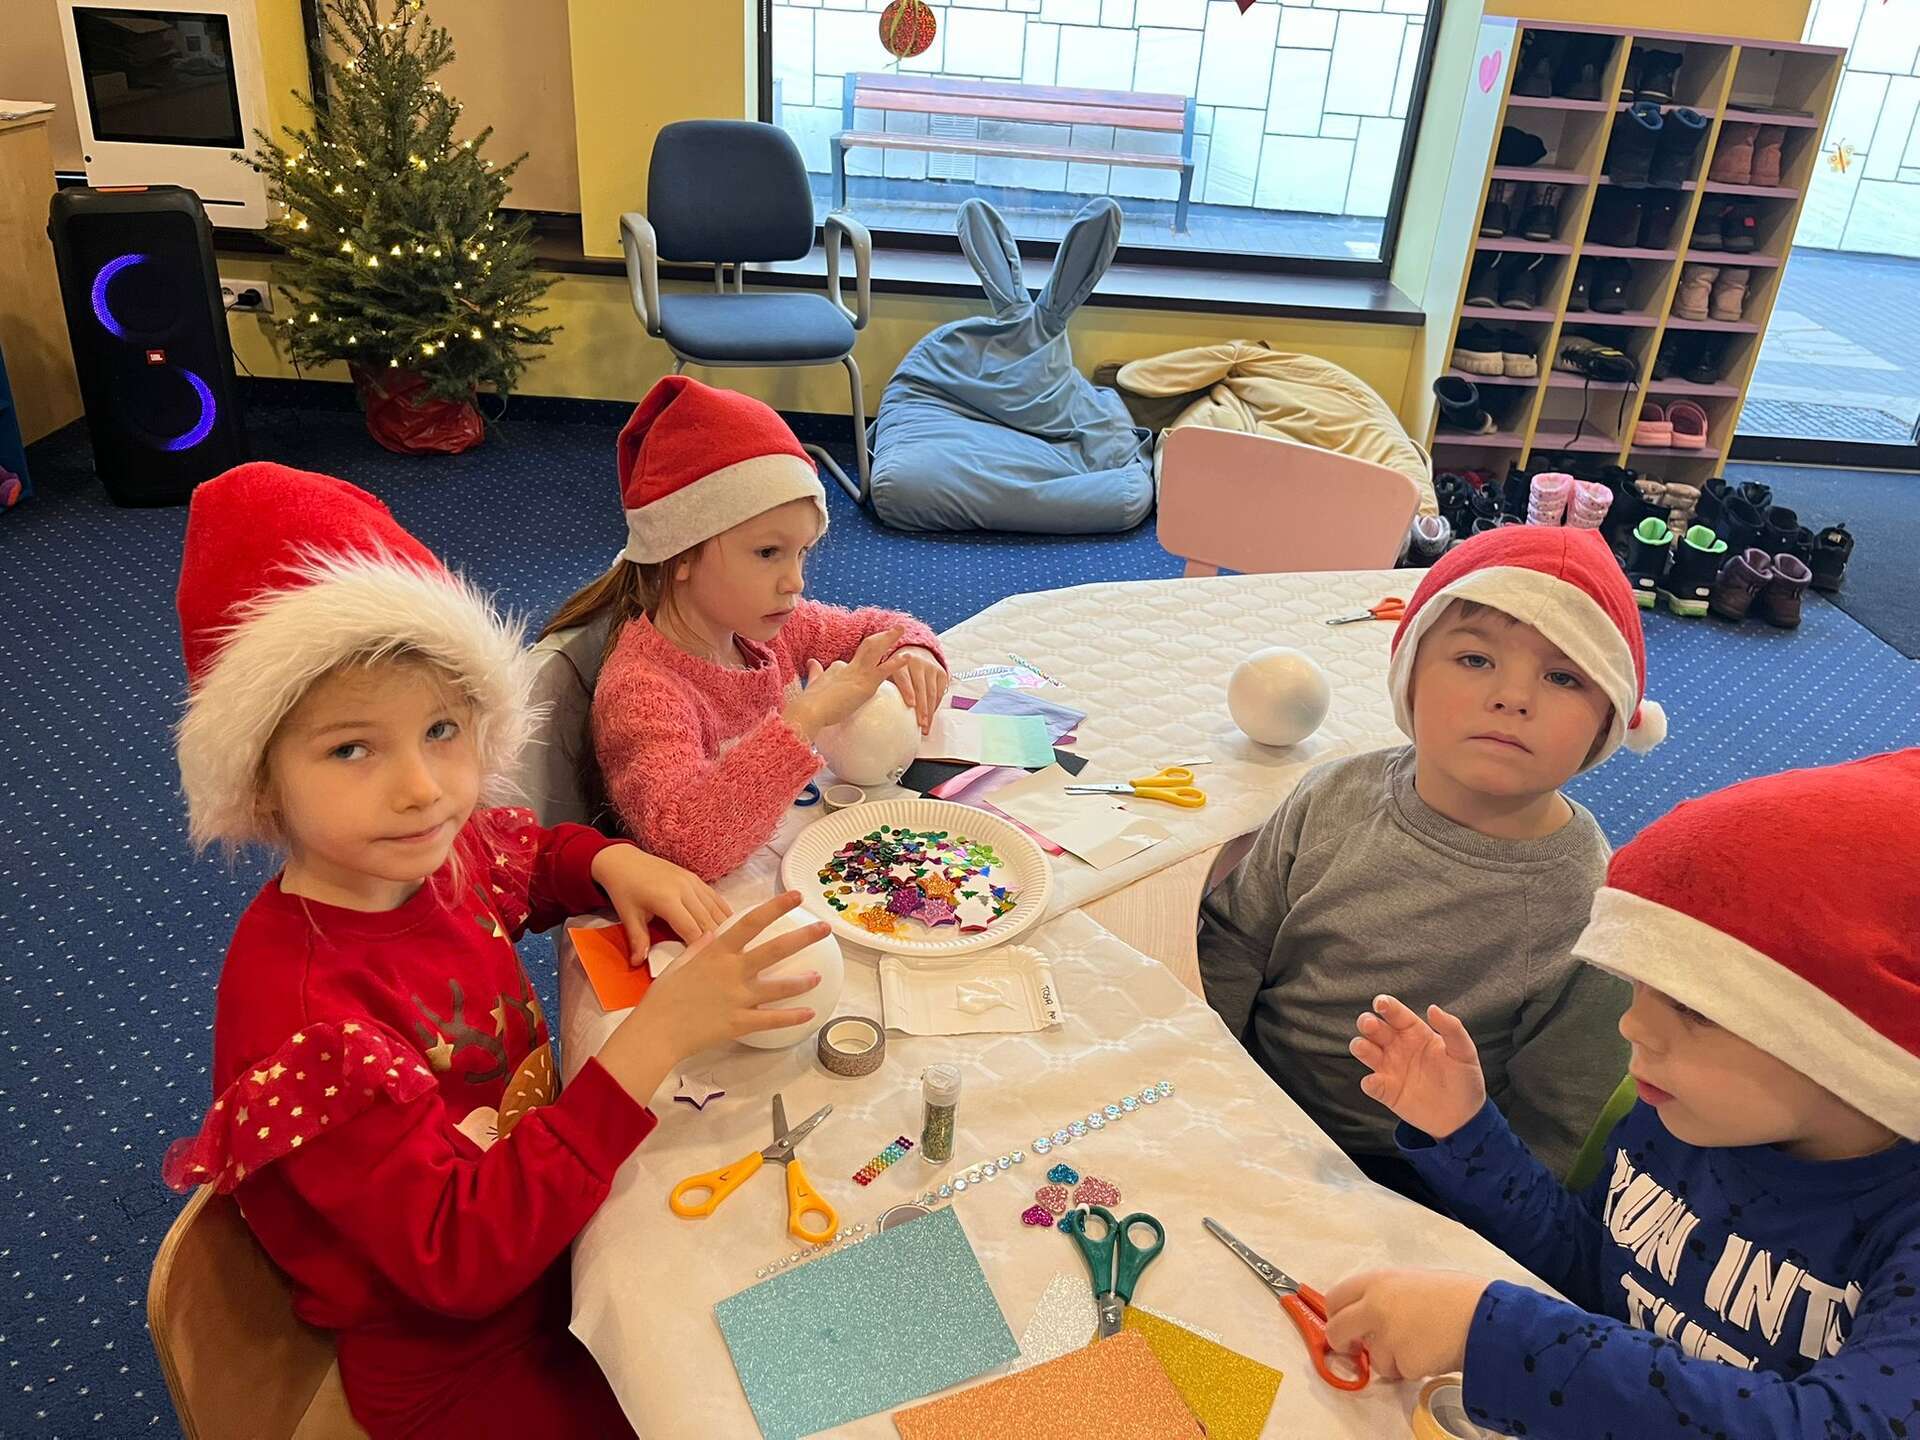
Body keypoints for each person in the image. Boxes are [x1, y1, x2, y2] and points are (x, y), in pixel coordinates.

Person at [162, 462, 832, 1439]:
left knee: (803, 1317)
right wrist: (654, 1039)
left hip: (552, 1232)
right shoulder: (307, 1025)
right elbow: (459, 1258)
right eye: (352, 748)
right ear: (260, 783)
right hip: (456, 1356)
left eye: (442, 729)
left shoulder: (430, 855)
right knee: (741, 1402)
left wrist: (606, 863)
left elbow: (529, 859)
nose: (424, 788)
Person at [1326, 750, 1920, 1439]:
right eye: (1638, 987)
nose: (1633, 1025)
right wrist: (1464, 1132)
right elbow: (1592, 1266)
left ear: (1856, 1051)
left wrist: (1498, 1335)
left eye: (1693, 1009)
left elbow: (1842, 1426)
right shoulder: (1688, 1113)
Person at [1199, 526, 1665, 1187]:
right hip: (1243, 1093)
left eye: (1563, 676)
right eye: (1475, 659)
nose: (1513, 697)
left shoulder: (1589, 912)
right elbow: (1233, 943)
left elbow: (1557, 1127)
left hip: (1414, 1176)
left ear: (1607, 723)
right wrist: (1208, 1079)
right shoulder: (1331, 794)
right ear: (1410, 677)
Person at [546, 376, 948, 881]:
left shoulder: (768, 629)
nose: (795, 581)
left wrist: (915, 649)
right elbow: (689, 846)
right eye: (768, 552)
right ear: (680, 553)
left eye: (802, 552)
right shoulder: (643, 691)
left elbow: (879, 627)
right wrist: (806, 717)